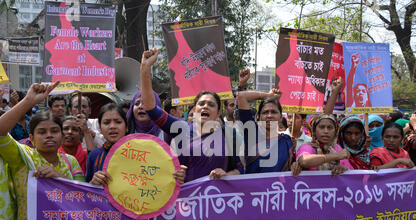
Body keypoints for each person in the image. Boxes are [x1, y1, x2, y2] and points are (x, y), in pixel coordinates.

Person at [0, 82, 85, 220]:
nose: (49, 135)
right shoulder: (21, 158)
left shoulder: (70, 162)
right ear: (31, 137)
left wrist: (59, 179)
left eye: (54, 131)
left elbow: (83, 197)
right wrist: (27, 101)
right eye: (42, 132)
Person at [139, 48, 241, 182]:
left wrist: (225, 175)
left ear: (219, 112)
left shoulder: (229, 135)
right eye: (201, 104)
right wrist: (145, 68)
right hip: (186, 200)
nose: (205, 106)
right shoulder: (181, 128)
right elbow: (151, 109)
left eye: (211, 105)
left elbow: (240, 170)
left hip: (217, 200)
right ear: (194, 109)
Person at [86, 102, 187, 187]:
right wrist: (93, 183)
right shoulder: (94, 156)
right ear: (100, 128)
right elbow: (85, 196)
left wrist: (176, 177)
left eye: (118, 122)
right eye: (106, 123)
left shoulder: (144, 153)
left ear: (126, 127)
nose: (112, 126)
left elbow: (159, 183)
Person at [236, 87, 295, 174]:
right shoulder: (252, 133)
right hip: (254, 187)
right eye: (265, 112)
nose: (269, 115)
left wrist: (295, 165)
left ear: (280, 117)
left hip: (280, 187)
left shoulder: (286, 140)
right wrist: (268, 96)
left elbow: (290, 165)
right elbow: (241, 96)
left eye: (274, 112)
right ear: (259, 117)